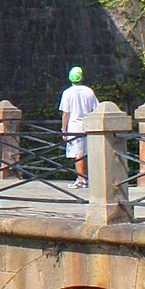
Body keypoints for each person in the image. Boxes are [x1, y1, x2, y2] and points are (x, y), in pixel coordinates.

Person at [60, 65, 100, 193]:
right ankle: (86, 178)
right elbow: (95, 108)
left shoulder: (67, 93)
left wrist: (64, 130)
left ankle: (82, 179)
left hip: (74, 125)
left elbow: (66, 113)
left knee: (78, 155)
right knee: (86, 153)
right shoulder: (89, 91)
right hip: (88, 124)